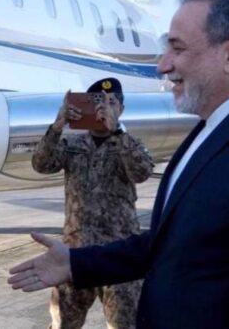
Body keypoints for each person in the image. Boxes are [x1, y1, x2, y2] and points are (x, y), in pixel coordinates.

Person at [9, 0, 229, 328]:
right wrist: (76, 263)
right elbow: (175, 242)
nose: (163, 66)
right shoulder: (210, 131)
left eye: (177, 48)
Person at [33, 78, 153, 329]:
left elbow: (141, 172)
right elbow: (41, 164)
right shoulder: (73, 145)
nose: (103, 109)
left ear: (121, 108)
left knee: (126, 324)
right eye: (97, 103)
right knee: (62, 324)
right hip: (75, 254)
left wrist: (118, 131)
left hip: (119, 256)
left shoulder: (130, 144)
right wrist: (57, 126)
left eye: (111, 103)